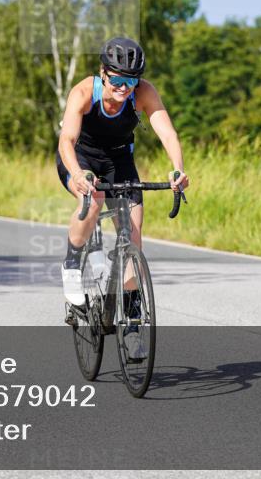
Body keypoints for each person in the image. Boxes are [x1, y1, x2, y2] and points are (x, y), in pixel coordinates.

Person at [56, 37, 189, 308]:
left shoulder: (143, 92)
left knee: (132, 235)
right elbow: (66, 141)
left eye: (131, 82)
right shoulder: (83, 93)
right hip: (81, 157)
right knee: (93, 200)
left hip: (119, 159)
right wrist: (79, 174)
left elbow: (167, 133)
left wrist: (178, 169)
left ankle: (131, 309)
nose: (124, 89)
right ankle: (71, 263)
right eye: (117, 81)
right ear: (103, 73)